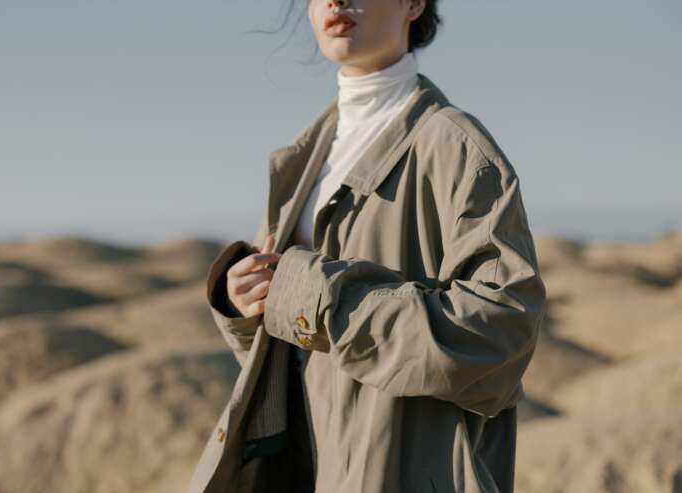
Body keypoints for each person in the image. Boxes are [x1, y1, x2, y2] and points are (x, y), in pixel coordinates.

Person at [189, 0, 547, 492]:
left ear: (414, 4)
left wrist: (316, 297)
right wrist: (246, 305)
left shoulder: (457, 149)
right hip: (307, 466)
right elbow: (299, 340)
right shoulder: (303, 159)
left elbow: (501, 333)